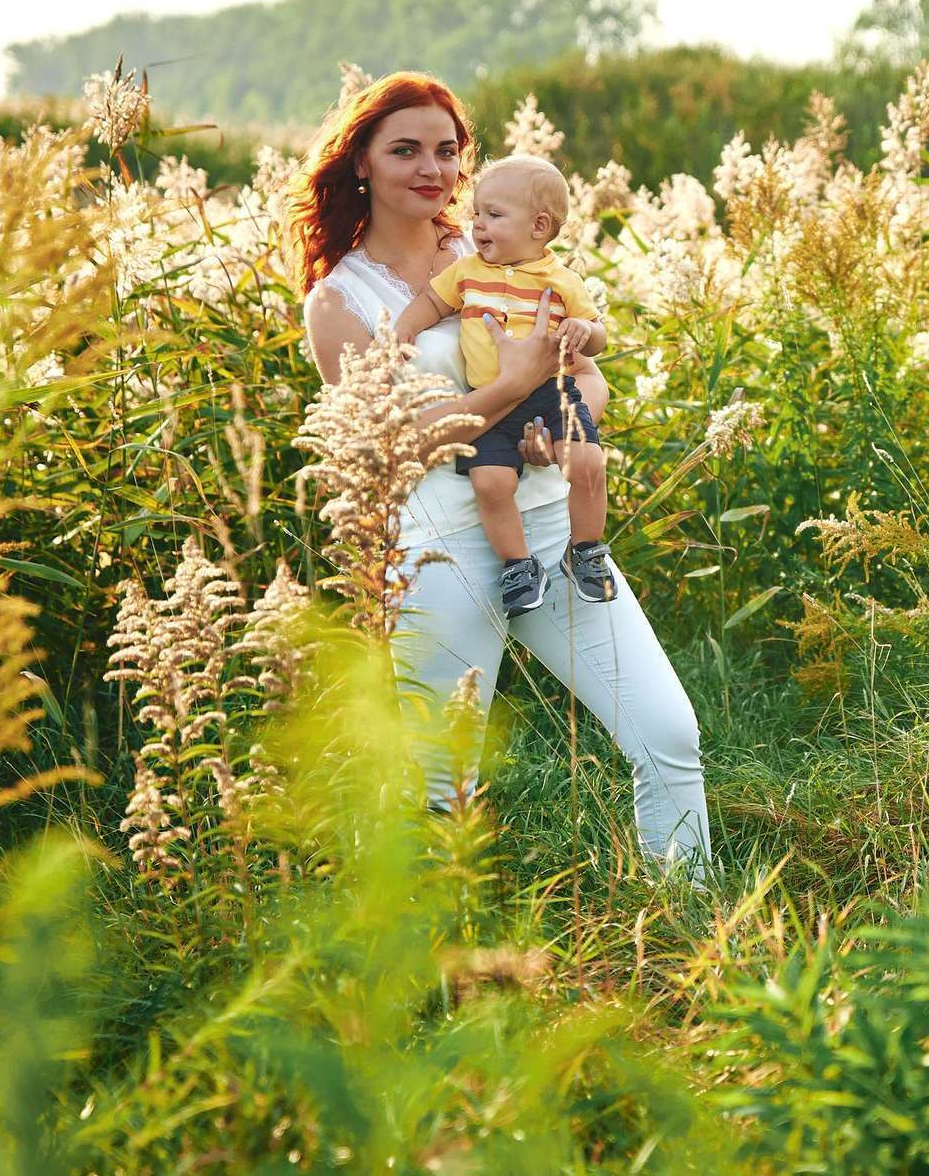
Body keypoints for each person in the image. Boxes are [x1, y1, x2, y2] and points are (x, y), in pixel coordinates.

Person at [285, 71, 709, 877]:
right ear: (362, 162)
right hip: (440, 550)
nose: (432, 170)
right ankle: (430, 972)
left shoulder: (503, 249)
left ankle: (684, 929)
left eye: (447, 151)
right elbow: (392, 443)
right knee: (441, 786)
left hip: (552, 529)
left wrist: (563, 410)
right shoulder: (338, 303)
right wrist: (512, 387)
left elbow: (587, 373)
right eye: (405, 149)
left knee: (668, 733)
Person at [392, 155, 617, 614]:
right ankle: (518, 565)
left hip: (552, 394)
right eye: (476, 214)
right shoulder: (468, 271)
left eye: (493, 215)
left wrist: (582, 330)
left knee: (588, 463)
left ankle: (587, 549)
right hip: (487, 405)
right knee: (491, 484)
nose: (477, 225)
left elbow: (597, 337)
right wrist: (403, 329)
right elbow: (433, 301)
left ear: (538, 226)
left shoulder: (561, 280)